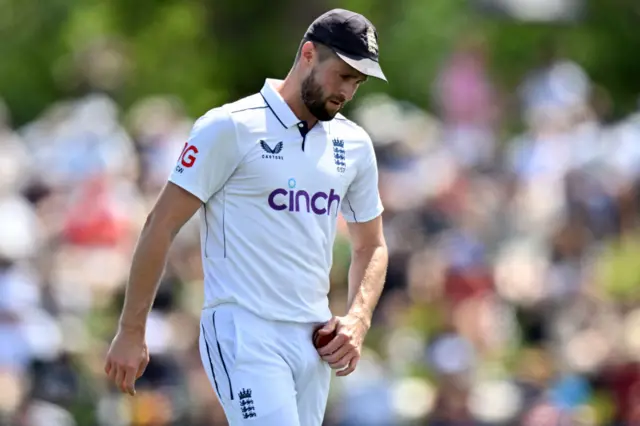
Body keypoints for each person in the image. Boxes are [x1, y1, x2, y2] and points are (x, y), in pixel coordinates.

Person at [104, 8, 389, 426]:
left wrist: (359, 319)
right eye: (344, 75)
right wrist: (132, 330)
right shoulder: (230, 127)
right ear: (308, 54)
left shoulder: (355, 144)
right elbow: (160, 225)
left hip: (313, 339)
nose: (349, 91)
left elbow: (372, 245)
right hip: (243, 331)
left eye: (358, 82)